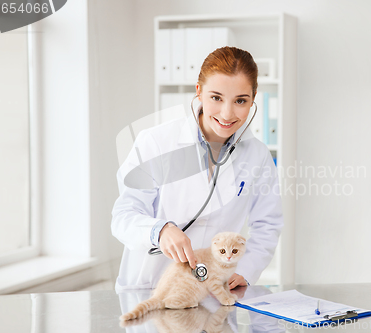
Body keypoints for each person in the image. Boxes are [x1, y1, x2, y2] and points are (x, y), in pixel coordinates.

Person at [111, 46, 283, 292]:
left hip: (213, 291)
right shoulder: (155, 142)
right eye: (216, 97)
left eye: (240, 101)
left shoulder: (258, 155)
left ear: (253, 99)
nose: (227, 113)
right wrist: (159, 231)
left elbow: (268, 224)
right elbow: (123, 217)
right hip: (151, 288)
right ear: (199, 92)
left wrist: (246, 269)